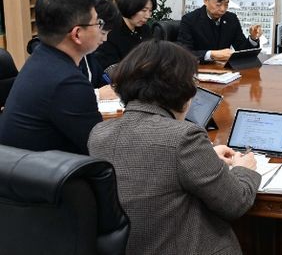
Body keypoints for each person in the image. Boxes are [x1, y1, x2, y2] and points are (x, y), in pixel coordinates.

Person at [88, 40, 261, 254]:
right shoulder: (184, 138)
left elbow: (153, 163)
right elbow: (236, 203)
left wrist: (206, 156)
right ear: (183, 91)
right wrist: (244, 169)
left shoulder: (99, 133)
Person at [0, 0, 104, 154]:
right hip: (45, 168)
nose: (100, 29)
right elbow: (100, 145)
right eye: (97, 23)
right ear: (77, 34)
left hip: (23, 164)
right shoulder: (67, 82)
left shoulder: (41, 58)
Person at [177, 0, 261, 63]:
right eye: (218, 4)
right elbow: (184, 53)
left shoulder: (231, 19)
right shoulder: (189, 20)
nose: (223, 9)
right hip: (199, 68)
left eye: (226, 4)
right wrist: (211, 54)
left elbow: (242, 50)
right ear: (206, 1)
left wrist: (253, 38)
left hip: (224, 69)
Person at [94, 0, 156, 70]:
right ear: (130, 6)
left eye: (150, 11)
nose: (148, 16)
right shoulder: (110, 32)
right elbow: (110, 68)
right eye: (144, 10)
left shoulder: (145, 29)